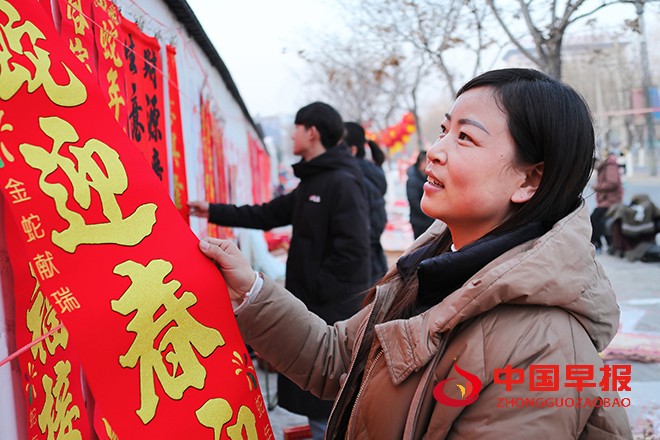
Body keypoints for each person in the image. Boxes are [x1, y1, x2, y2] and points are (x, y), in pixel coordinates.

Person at [198, 69, 632, 439]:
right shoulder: (426, 270)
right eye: (444, 130)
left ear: (529, 181)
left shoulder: (544, 347)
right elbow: (334, 359)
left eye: (465, 137)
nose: (436, 151)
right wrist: (251, 291)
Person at [189, 102, 370, 438]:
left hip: (329, 311)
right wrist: (212, 210)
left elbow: (354, 251)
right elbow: (267, 214)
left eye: (296, 129)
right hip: (312, 306)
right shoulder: (313, 182)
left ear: (312, 132)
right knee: (316, 401)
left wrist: (317, 290)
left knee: (327, 403)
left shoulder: (341, 181)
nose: (291, 136)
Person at [344, 122, 388, 284]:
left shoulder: (356, 180)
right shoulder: (369, 172)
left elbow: (371, 228)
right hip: (372, 263)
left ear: (353, 150)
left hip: (364, 268)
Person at [590, 151, 623, 253]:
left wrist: (597, 187)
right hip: (606, 200)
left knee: (594, 218)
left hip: (612, 201)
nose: (594, 168)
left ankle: (597, 244)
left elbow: (613, 183)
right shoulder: (604, 167)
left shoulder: (610, 166)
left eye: (593, 165)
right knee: (599, 219)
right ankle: (607, 244)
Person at [406, 150, 435, 238]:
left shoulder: (426, 176)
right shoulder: (413, 179)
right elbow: (414, 201)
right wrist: (428, 213)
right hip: (419, 220)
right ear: (421, 162)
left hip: (428, 219)